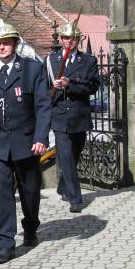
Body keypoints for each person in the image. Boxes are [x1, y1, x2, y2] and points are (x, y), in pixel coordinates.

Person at [0, 23, 51, 264]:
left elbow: (42, 106)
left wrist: (40, 138)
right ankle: (5, 243)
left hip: (26, 142)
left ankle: (30, 226)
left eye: (6, 42)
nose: (2, 47)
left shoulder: (32, 69)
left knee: (29, 190)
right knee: (2, 193)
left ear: (15, 44)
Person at [44, 22, 100, 213]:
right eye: (66, 38)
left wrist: (71, 84)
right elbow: (43, 87)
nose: (70, 42)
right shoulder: (50, 61)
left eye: (73, 38)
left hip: (79, 114)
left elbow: (93, 86)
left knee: (74, 155)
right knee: (66, 157)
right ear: (61, 39)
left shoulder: (88, 61)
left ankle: (62, 186)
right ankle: (76, 198)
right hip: (59, 115)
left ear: (78, 40)